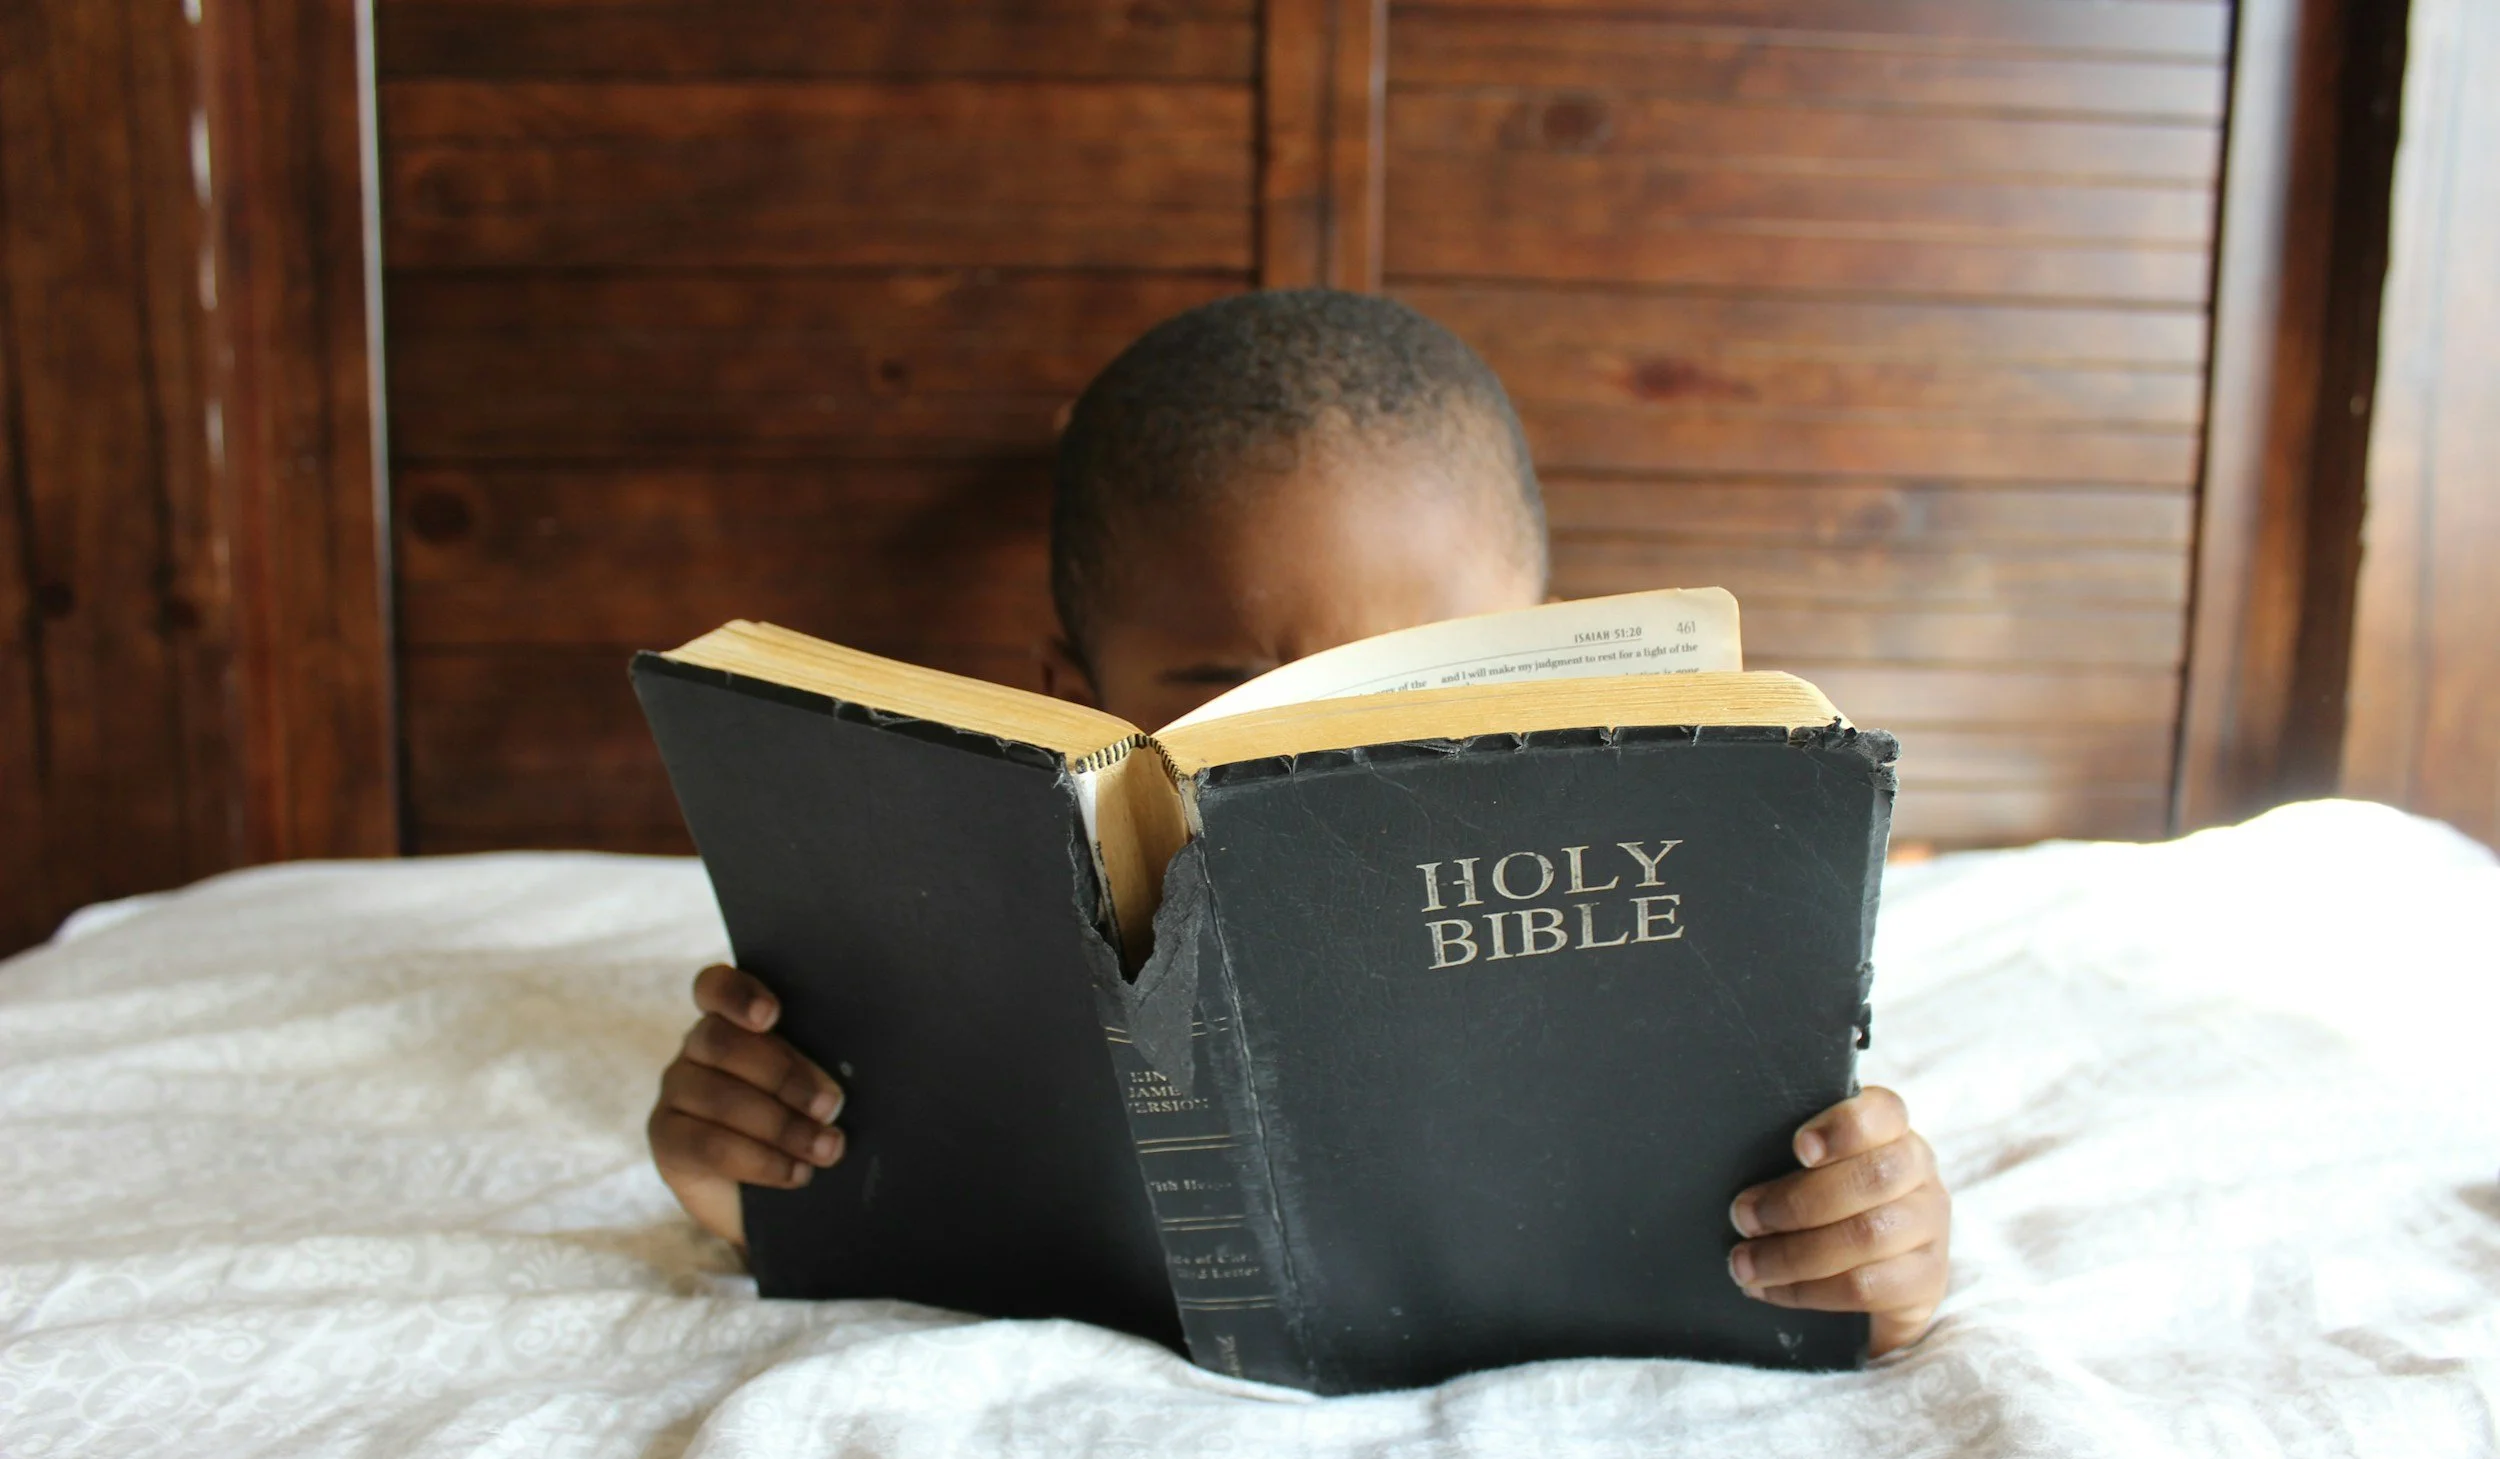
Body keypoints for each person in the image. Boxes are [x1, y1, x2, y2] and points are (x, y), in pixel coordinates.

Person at [646, 291, 1952, 1357]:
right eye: (1236, 694)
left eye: (1433, 677)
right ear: (1071, 697)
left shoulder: (1671, 926)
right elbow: (891, 1201)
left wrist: (1869, 1260)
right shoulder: (968, 942)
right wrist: (753, 1181)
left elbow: (1826, 1241)